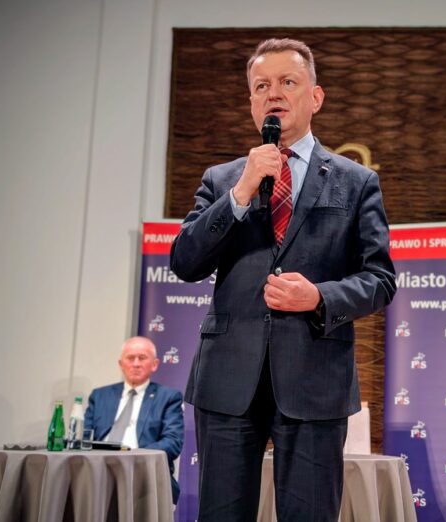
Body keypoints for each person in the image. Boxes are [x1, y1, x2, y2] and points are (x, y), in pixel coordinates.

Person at [170, 38, 396, 521]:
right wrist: (240, 193)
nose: (273, 93)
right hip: (227, 379)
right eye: (261, 86)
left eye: (287, 82)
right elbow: (185, 262)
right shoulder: (223, 179)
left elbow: (380, 279)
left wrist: (318, 296)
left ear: (315, 97)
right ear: (252, 102)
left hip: (315, 379)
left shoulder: (356, 182)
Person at [84, 336, 184, 503]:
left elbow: (172, 442)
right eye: (130, 358)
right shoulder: (99, 396)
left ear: (155, 364)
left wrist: (133, 457)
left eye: (142, 358)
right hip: (99, 470)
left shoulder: (168, 397)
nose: (136, 363)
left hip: (144, 474)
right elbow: (85, 437)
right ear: (121, 364)